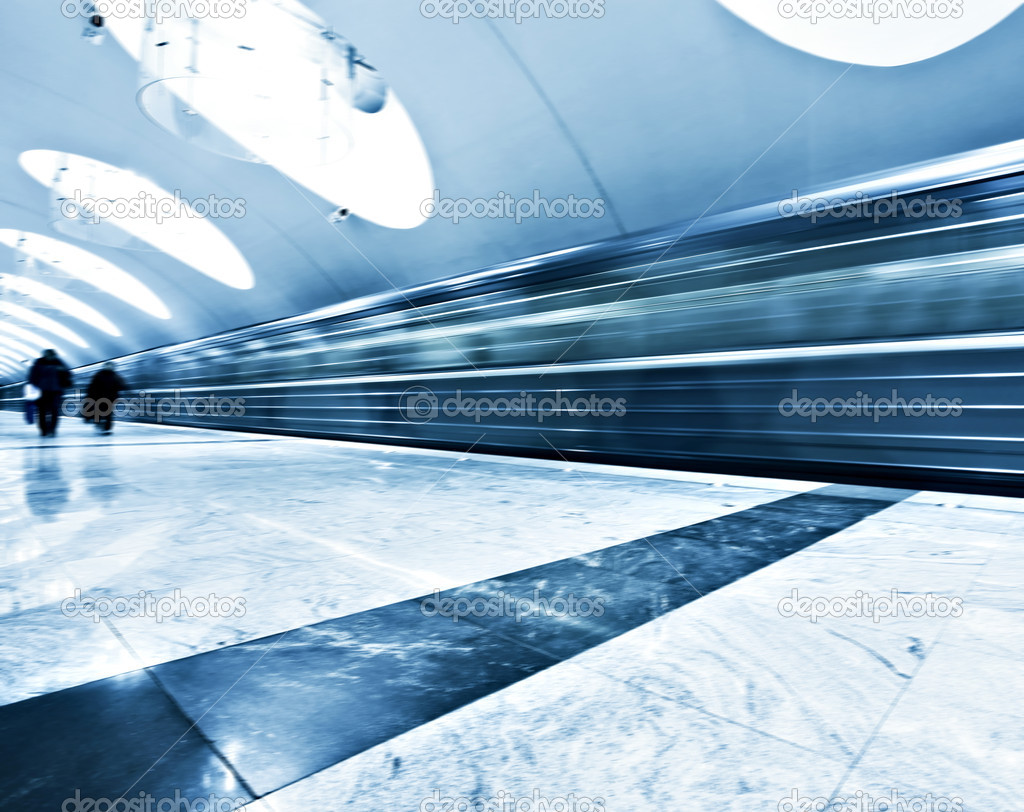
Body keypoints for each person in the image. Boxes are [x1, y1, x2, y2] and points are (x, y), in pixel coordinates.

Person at [28, 349, 72, 437]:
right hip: (41, 391)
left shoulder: (59, 362)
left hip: (56, 391)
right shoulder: (38, 363)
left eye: (52, 355)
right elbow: (32, 378)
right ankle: (43, 430)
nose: (51, 357)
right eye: (49, 355)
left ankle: (52, 429)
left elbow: (68, 373)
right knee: (42, 411)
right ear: (45, 356)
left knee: (54, 410)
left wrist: (62, 370)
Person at [85, 363, 127, 434]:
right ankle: (100, 424)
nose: (109, 367)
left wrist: (125, 388)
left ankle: (107, 428)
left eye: (111, 366)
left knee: (108, 413)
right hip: (99, 397)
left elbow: (122, 385)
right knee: (99, 412)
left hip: (110, 398)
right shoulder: (99, 375)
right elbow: (92, 387)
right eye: (108, 366)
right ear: (104, 367)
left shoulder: (115, 376)